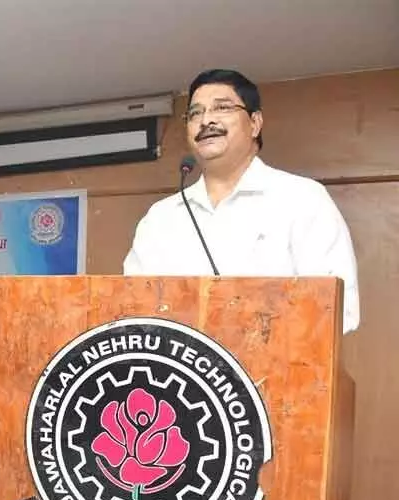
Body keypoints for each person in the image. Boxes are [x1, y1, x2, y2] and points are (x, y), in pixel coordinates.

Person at [124, 68, 359, 333]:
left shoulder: (302, 198)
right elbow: (134, 308)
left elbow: (339, 310)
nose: (206, 120)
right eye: (195, 113)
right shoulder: (161, 217)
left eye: (222, 108)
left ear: (255, 123)